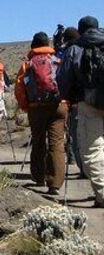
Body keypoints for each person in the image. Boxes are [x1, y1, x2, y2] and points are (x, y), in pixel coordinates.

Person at [57, 16, 104, 207]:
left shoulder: (75, 49)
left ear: (80, 29)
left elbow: (63, 78)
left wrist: (70, 96)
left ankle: (102, 194)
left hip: (89, 103)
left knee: (92, 150)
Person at [14, 32, 65, 195]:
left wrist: (26, 106)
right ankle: (55, 183)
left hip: (36, 107)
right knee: (56, 142)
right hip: (58, 106)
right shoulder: (58, 61)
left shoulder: (27, 65)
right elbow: (67, 82)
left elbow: (19, 88)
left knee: (38, 141)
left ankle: (39, 176)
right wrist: (67, 103)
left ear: (33, 45)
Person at [61, 27, 84, 176]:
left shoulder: (71, 51)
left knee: (76, 133)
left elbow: (64, 77)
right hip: (97, 98)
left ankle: (82, 167)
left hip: (77, 101)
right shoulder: (89, 48)